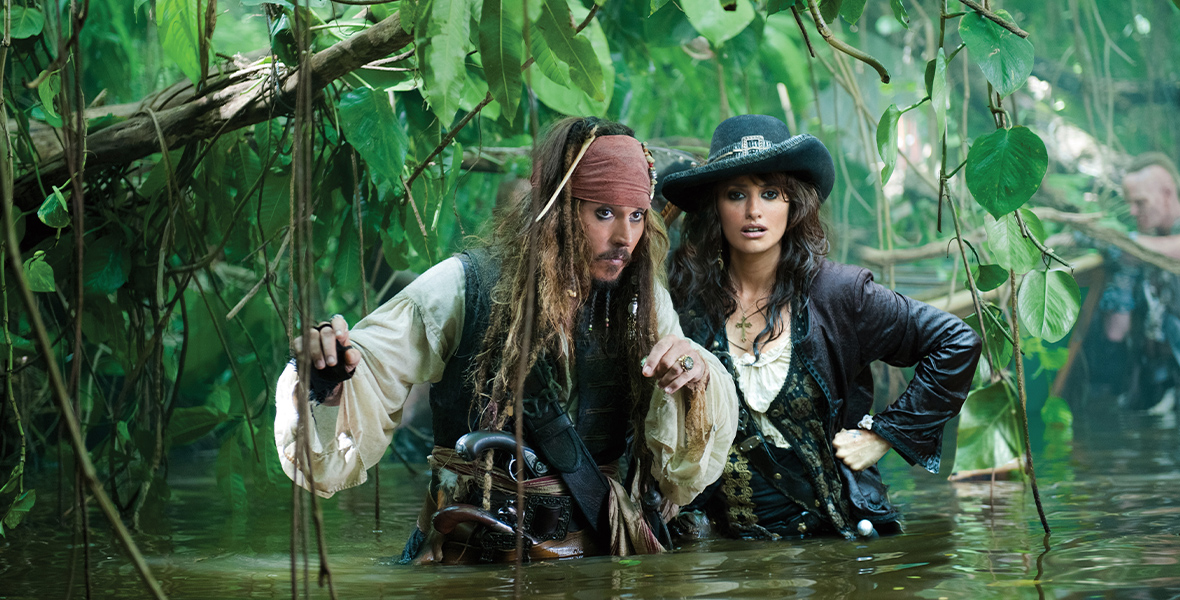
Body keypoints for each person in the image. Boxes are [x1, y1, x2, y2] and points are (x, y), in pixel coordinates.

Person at [273, 117, 737, 563]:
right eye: (604, 213)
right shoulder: (463, 285)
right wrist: (328, 378)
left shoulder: (643, 300)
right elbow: (368, 365)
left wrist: (693, 377)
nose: (625, 237)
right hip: (472, 556)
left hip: (596, 551)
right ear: (558, 210)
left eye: (637, 215)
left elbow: (680, 469)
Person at [660, 114, 981, 540]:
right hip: (725, 555)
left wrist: (884, 435)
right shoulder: (684, 305)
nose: (754, 211)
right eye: (736, 194)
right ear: (714, 207)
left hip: (835, 544)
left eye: (770, 193)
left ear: (792, 203)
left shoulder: (840, 293)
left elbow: (957, 342)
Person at [1096, 153, 1180, 412]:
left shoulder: (1147, 246)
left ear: (1167, 193)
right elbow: (1115, 332)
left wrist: (1119, 243)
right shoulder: (1142, 248)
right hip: (1155, 383)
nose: (1133, 211)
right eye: (1129, 203)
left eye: (1140, 202)